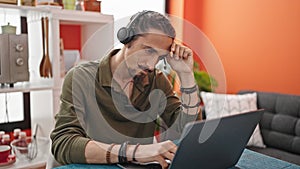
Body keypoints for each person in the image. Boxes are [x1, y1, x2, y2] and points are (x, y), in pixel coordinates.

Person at [50, 10, 201, 168]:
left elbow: (187, 131)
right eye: (148, 51)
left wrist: (186, 75)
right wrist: (134, 152)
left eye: (160, 57)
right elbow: (64, 143)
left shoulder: (156, 80)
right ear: (126, 39)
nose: (151, 65)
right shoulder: (81, 77)